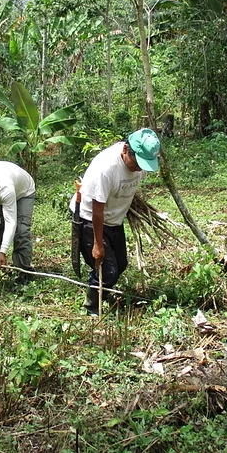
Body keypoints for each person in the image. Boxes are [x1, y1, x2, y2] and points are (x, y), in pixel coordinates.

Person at [73, 128, 161, 315]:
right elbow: (97, 209)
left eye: (144, 165)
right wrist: (97, 244)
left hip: (114, 220)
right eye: (137, 163)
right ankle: (91, 308)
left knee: (120, 265)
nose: (139, 169)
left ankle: (101, 291)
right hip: (91, 218)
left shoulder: (140, 166)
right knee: (108, 269)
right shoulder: (106, 168)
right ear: (125, 150)